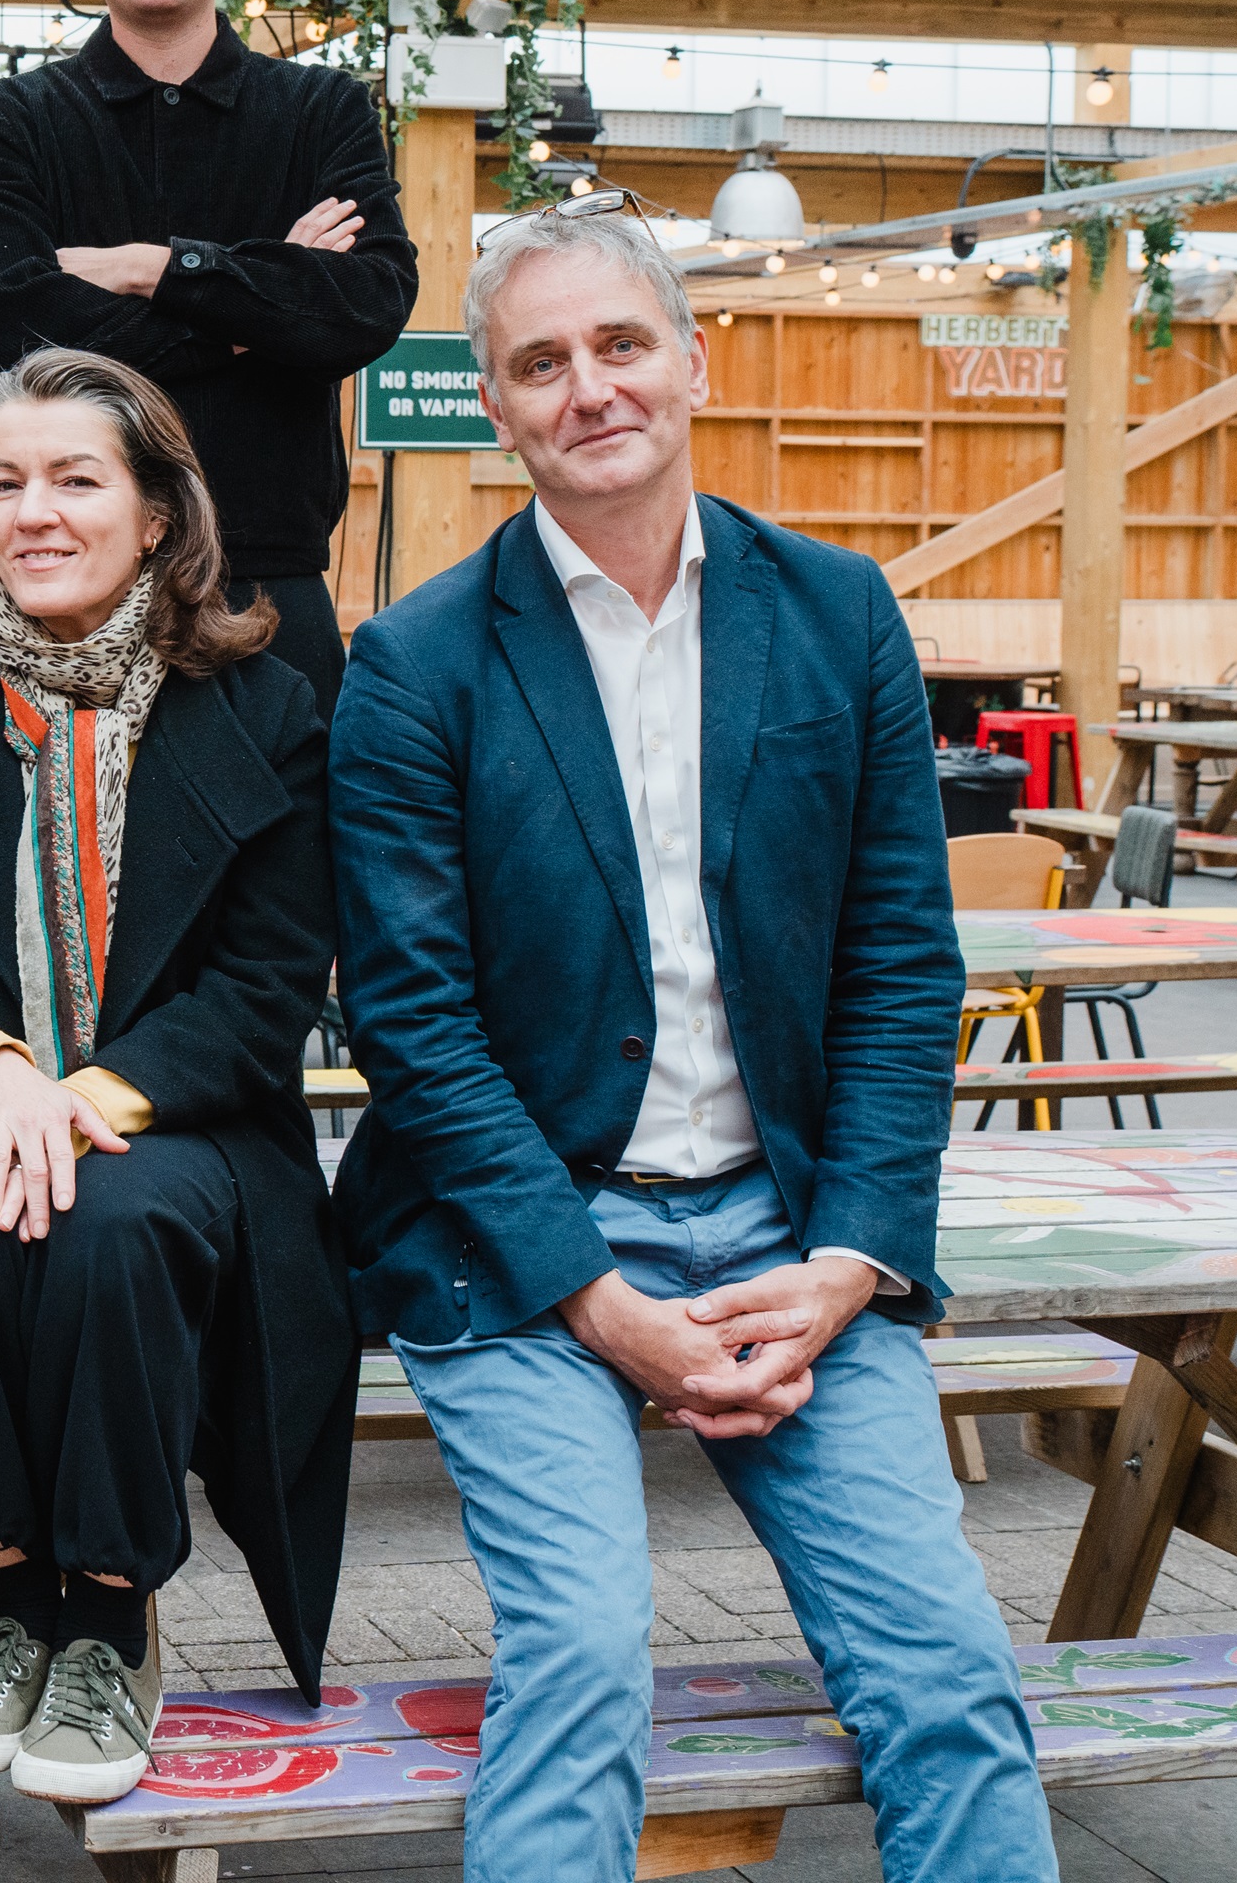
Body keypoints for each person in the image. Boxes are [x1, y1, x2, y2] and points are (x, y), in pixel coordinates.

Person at [328, 203, 1054, 1883]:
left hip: (783, 1226)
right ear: (495, 409)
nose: (586, 389)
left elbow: (891, 965)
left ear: (689, 361)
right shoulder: (414, 664)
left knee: (945, 1667)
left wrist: (852, 1258)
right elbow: (410, 1024)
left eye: (617, 344)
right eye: (539, 362)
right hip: (521, 1242)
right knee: (582, 1656)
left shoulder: (835, 616)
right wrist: (595, 1301)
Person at [0, 348, 352, 1805]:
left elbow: (269, 983)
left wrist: (79, 1101)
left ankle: (108, 1612)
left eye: (75, 479)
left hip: (181, 1120)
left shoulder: (267, 708)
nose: (33, 512)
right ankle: (4, 1605)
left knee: (112, 1229)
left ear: (161, 514)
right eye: (4, 483)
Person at [0, 0, 420, 717]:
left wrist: (151, 268)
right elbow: (14, 329)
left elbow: (365, 305)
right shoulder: (14, 122)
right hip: (66, 598)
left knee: (289, 863)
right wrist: (258, 309)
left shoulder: (320, 113)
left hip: (268, 588)